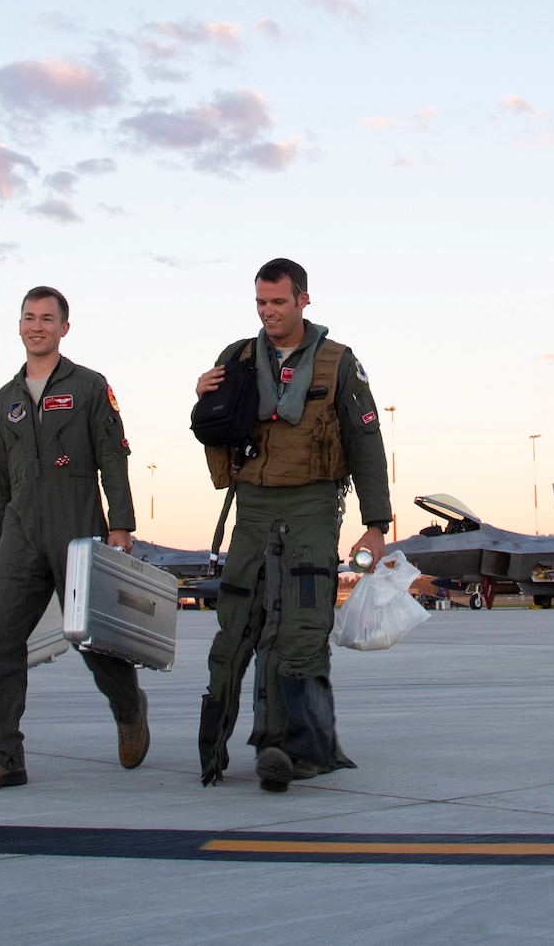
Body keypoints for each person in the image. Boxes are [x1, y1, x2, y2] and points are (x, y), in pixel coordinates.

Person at [194, 259, 392, 794]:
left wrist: (377, 524)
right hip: (253, 506)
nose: (268, 312)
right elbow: (208, 426)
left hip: (312, 506)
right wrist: (202, 394)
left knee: (302, 627)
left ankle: (292, 749)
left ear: (303, 300)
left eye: (278, 302)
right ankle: (214, 747)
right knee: (237, 622)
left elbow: (366, 443)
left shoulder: (338, 363)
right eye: (261, 303)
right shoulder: (235, 357)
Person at [0, 286, 147, 793]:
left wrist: (121, 525)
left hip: (77, 522)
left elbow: (114, 454)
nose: (36, 326)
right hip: (20, 530)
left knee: (92, 637)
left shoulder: (89, 386)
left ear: (65, 327)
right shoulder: (6, 399)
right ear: (19, 326)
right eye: (28, 318)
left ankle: (129, 708)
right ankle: (1, 755)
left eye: (47, 318)